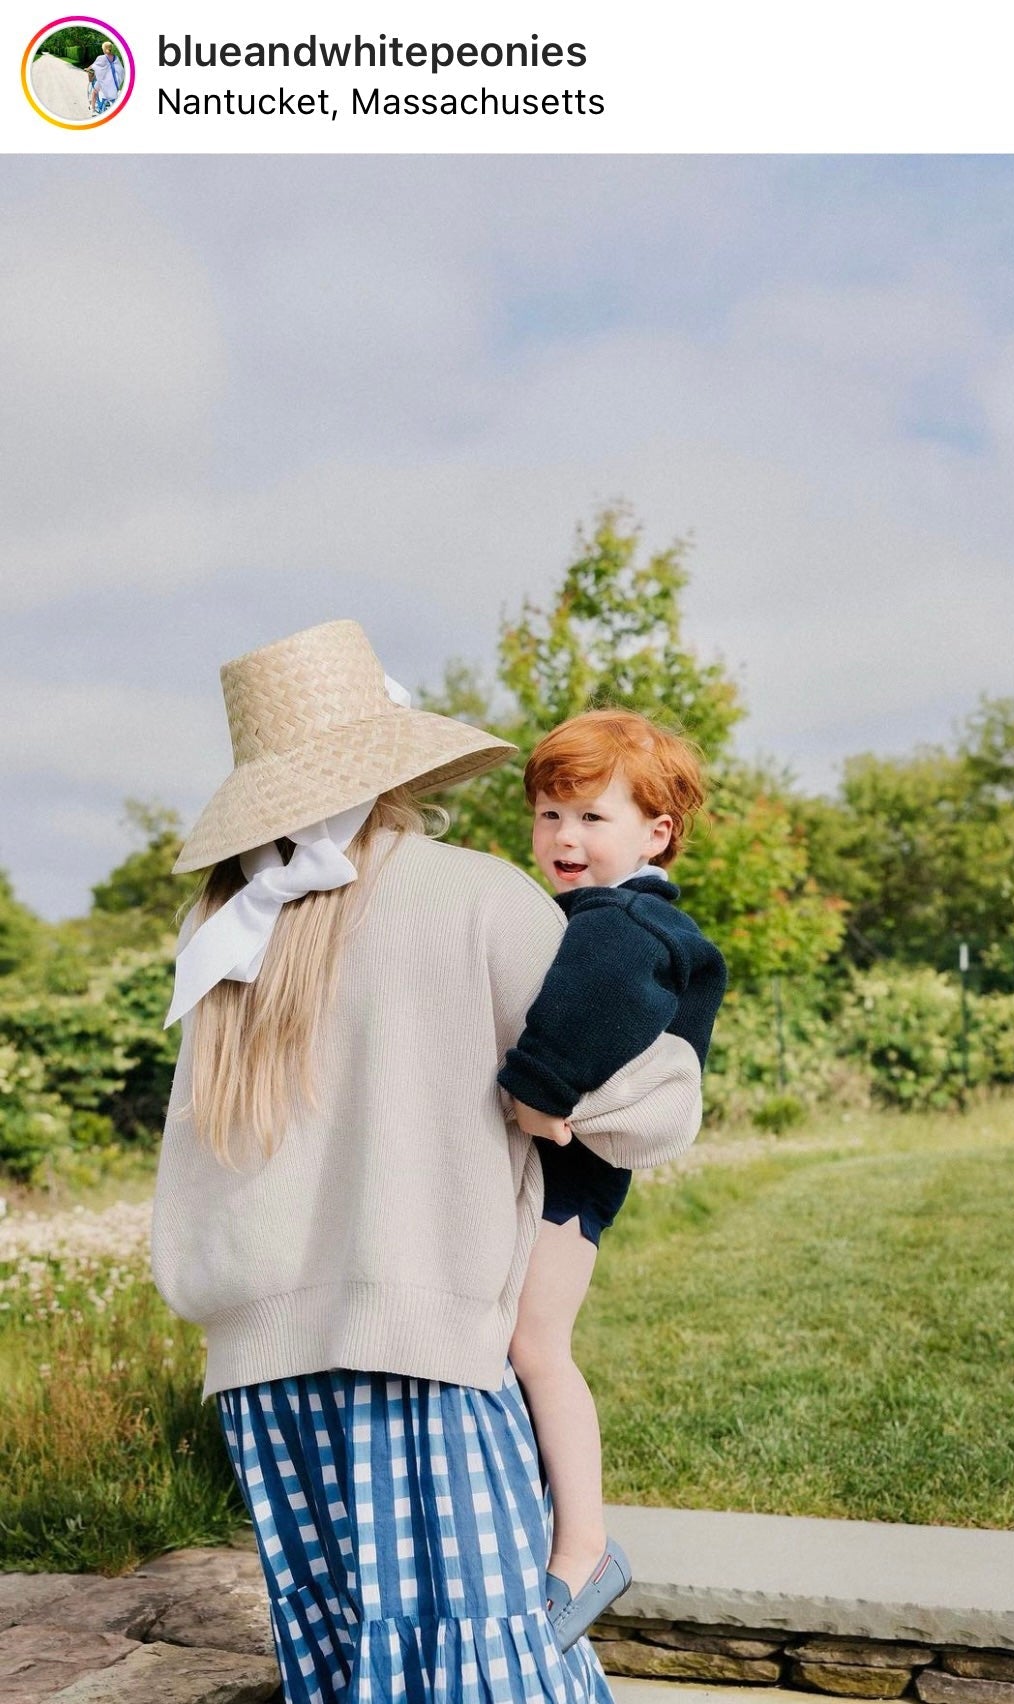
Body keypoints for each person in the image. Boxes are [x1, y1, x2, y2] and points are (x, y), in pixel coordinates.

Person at [151, 620, 705, 1703]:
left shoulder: (221, 929)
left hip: (261, 1379)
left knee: (345, 1668)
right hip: (423, 1359)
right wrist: (559, 1105)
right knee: (488, 1669)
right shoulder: (477, 897)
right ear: (394, 760)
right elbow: (648, 1109)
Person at [497, 711, 727, 1650]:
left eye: (593, 817)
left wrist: (533, 1094)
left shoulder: (623, 921)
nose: (565, 837)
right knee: (523, 1344)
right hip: (569, 1177)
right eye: (549, 815)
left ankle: (583, 1548)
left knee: (536, 1344)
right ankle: (546, 1523)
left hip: (566, 1177)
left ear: (656, 833)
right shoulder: (604, 915)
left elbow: (586, 1017)